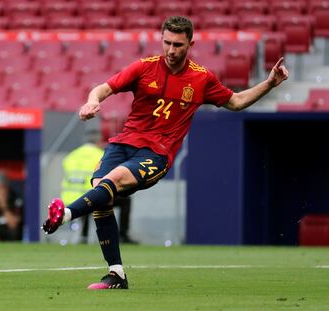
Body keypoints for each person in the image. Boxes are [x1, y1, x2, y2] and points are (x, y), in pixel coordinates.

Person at [42, 16, 289, 290]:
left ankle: (64, 216)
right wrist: (91, 102)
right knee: (101, 193)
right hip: (123, 143)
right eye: (167, 43)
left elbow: (236, 101)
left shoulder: (201, 78)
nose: (171, 50)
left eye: (178, 45)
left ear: (190, 44)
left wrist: (269, 84)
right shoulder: (144, 68)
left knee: (114, 180)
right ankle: (116, 274)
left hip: (156, 154)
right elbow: (103, 88)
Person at [61, 129, 136, 244]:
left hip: (70, 199)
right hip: (90, 197)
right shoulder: (100, 155)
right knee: (124, 200)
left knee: (88, 198)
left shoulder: (72, 155)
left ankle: (83, 236)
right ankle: (122, 236)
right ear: (98, 141)